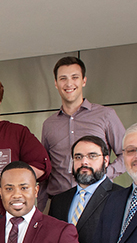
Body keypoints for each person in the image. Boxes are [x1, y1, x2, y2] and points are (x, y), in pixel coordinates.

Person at [40, 56, 126, 210]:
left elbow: (127, 154)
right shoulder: (49, 125)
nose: (69, 83)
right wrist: (39, 209)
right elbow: (45, 169)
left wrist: (105, 174)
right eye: (63, 78)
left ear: (84, 81)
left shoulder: (106, 115)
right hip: (59, 203)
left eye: (75, 77)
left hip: (98, 201)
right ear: (56, 83)